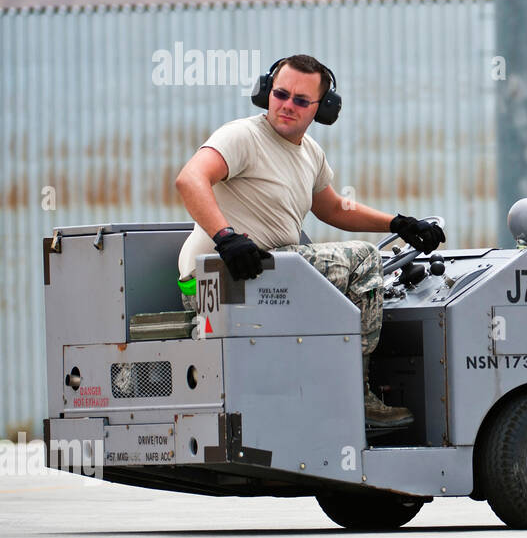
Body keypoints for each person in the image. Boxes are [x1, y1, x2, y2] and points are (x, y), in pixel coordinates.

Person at [174, 54, 444, 430]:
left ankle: (319, 387)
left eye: (301, 101)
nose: (287, 106)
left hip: (265, 273)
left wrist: (398, 223)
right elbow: (190, 179)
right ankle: (355, 396)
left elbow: (333, 208)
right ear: (265, 92)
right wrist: (226, 238)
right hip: (217, 279)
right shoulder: (242, 136)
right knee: (363, 259)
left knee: (339, 272)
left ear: (323, 109)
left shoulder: (310, 154)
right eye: (280, 94)